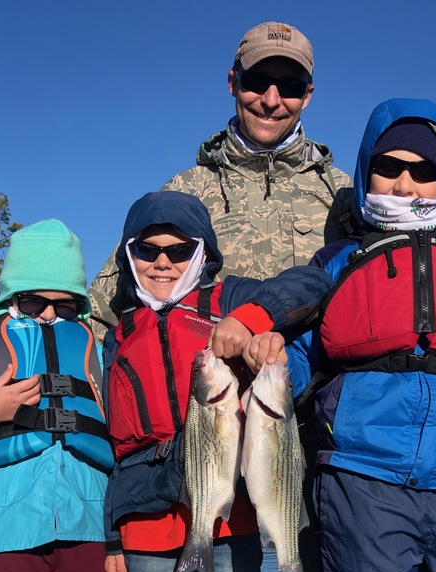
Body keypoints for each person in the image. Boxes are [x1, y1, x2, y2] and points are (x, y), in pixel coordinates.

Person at [264, 98, 436, 572]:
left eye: (423, 172)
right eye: (388, 166)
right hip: (362, 482)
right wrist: (275, 365)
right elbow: (301, 356)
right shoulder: (337, 262)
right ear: (365, 170)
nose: (404, 183)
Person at [103, 190, 333, 572]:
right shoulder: (119, 332)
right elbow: (114, 448)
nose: (163, 262)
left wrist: (251, 318)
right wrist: (113, 540)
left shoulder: (231, 298)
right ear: (129, 256)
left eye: (180, 249)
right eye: (147, 251)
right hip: (147, 520)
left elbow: (314, 282)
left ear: (202, 252)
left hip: (231, 515)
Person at [88, 20, 352, 341]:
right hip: (207, 386)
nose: (271, 100)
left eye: (290, 87)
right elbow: (101, 313)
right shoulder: (185, 191)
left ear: (307, 96)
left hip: (314, 389)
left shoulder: (345, 196)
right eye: (256, 81)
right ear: (232, 83)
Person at [0, 220, 114, 572]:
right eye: (35, 302)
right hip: (4, 528)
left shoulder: (95, 349)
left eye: (67, 304)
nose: (52, 313)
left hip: (87, 524)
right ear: (11, 297)